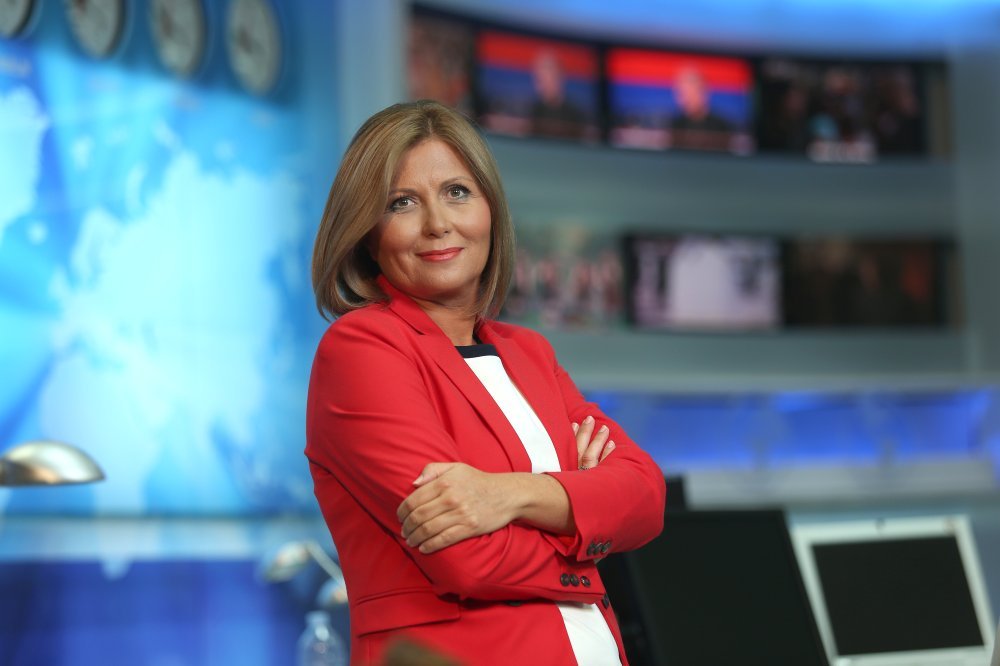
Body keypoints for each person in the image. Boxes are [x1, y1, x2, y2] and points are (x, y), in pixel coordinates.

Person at [306, 100, 666, 665]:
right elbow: (466, 557)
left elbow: (644, 496)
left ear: (491, 210)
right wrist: (586, 529)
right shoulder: (362, 350)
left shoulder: (529, 354)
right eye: (402, 203)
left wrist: (506, 495)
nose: (437, 224)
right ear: (368, 234)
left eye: (457, 192)